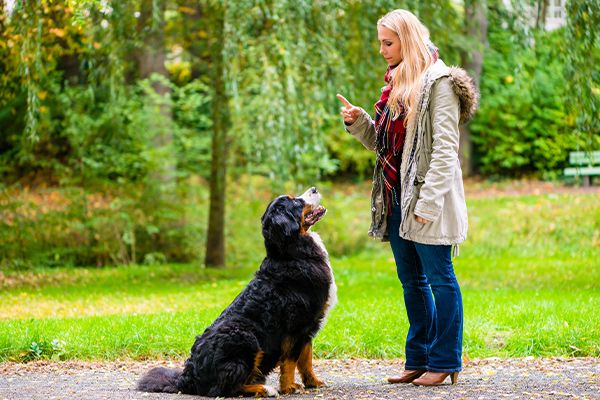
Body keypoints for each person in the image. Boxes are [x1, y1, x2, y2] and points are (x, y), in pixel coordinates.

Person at [336, 9, 477, 386]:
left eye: (388, 42)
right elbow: (386, 148)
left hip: (427, 200)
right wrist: (359, 122)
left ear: (407, 40)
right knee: (411, 281)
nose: (382, 50)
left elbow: (447, 149)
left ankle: (446, 360)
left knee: (440, 277)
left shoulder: (439, 82)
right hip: (395, 196)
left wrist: (428, 203)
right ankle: (419, 358)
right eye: (380, 42)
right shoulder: (396, 84)